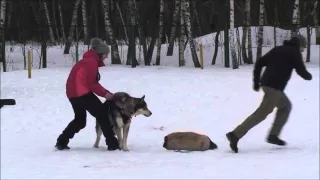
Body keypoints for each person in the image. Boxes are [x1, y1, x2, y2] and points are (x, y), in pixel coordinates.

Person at [226, 34, 312, 153]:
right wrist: (308, 76)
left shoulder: (277, 49)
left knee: (285, 106)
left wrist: (256, 82)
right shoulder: (294, 52)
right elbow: (300, 70)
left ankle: (273, 135)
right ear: (299, 45)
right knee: (261, 113)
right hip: (274, 87)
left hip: (267, 85)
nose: (302, 50)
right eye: (303, 47)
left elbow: (259, 63)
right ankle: (235, 134)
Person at [55, 38, 120, 151]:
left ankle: (62, 141)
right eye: (106, 54)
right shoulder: (91, 62)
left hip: (72, 94)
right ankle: (113, 144)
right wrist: (106, 94)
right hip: (82, 93)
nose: (107, 56)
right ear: (100, 53)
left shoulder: (87, 61)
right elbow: (92, 83)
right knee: (102, 115)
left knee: (80, 120)